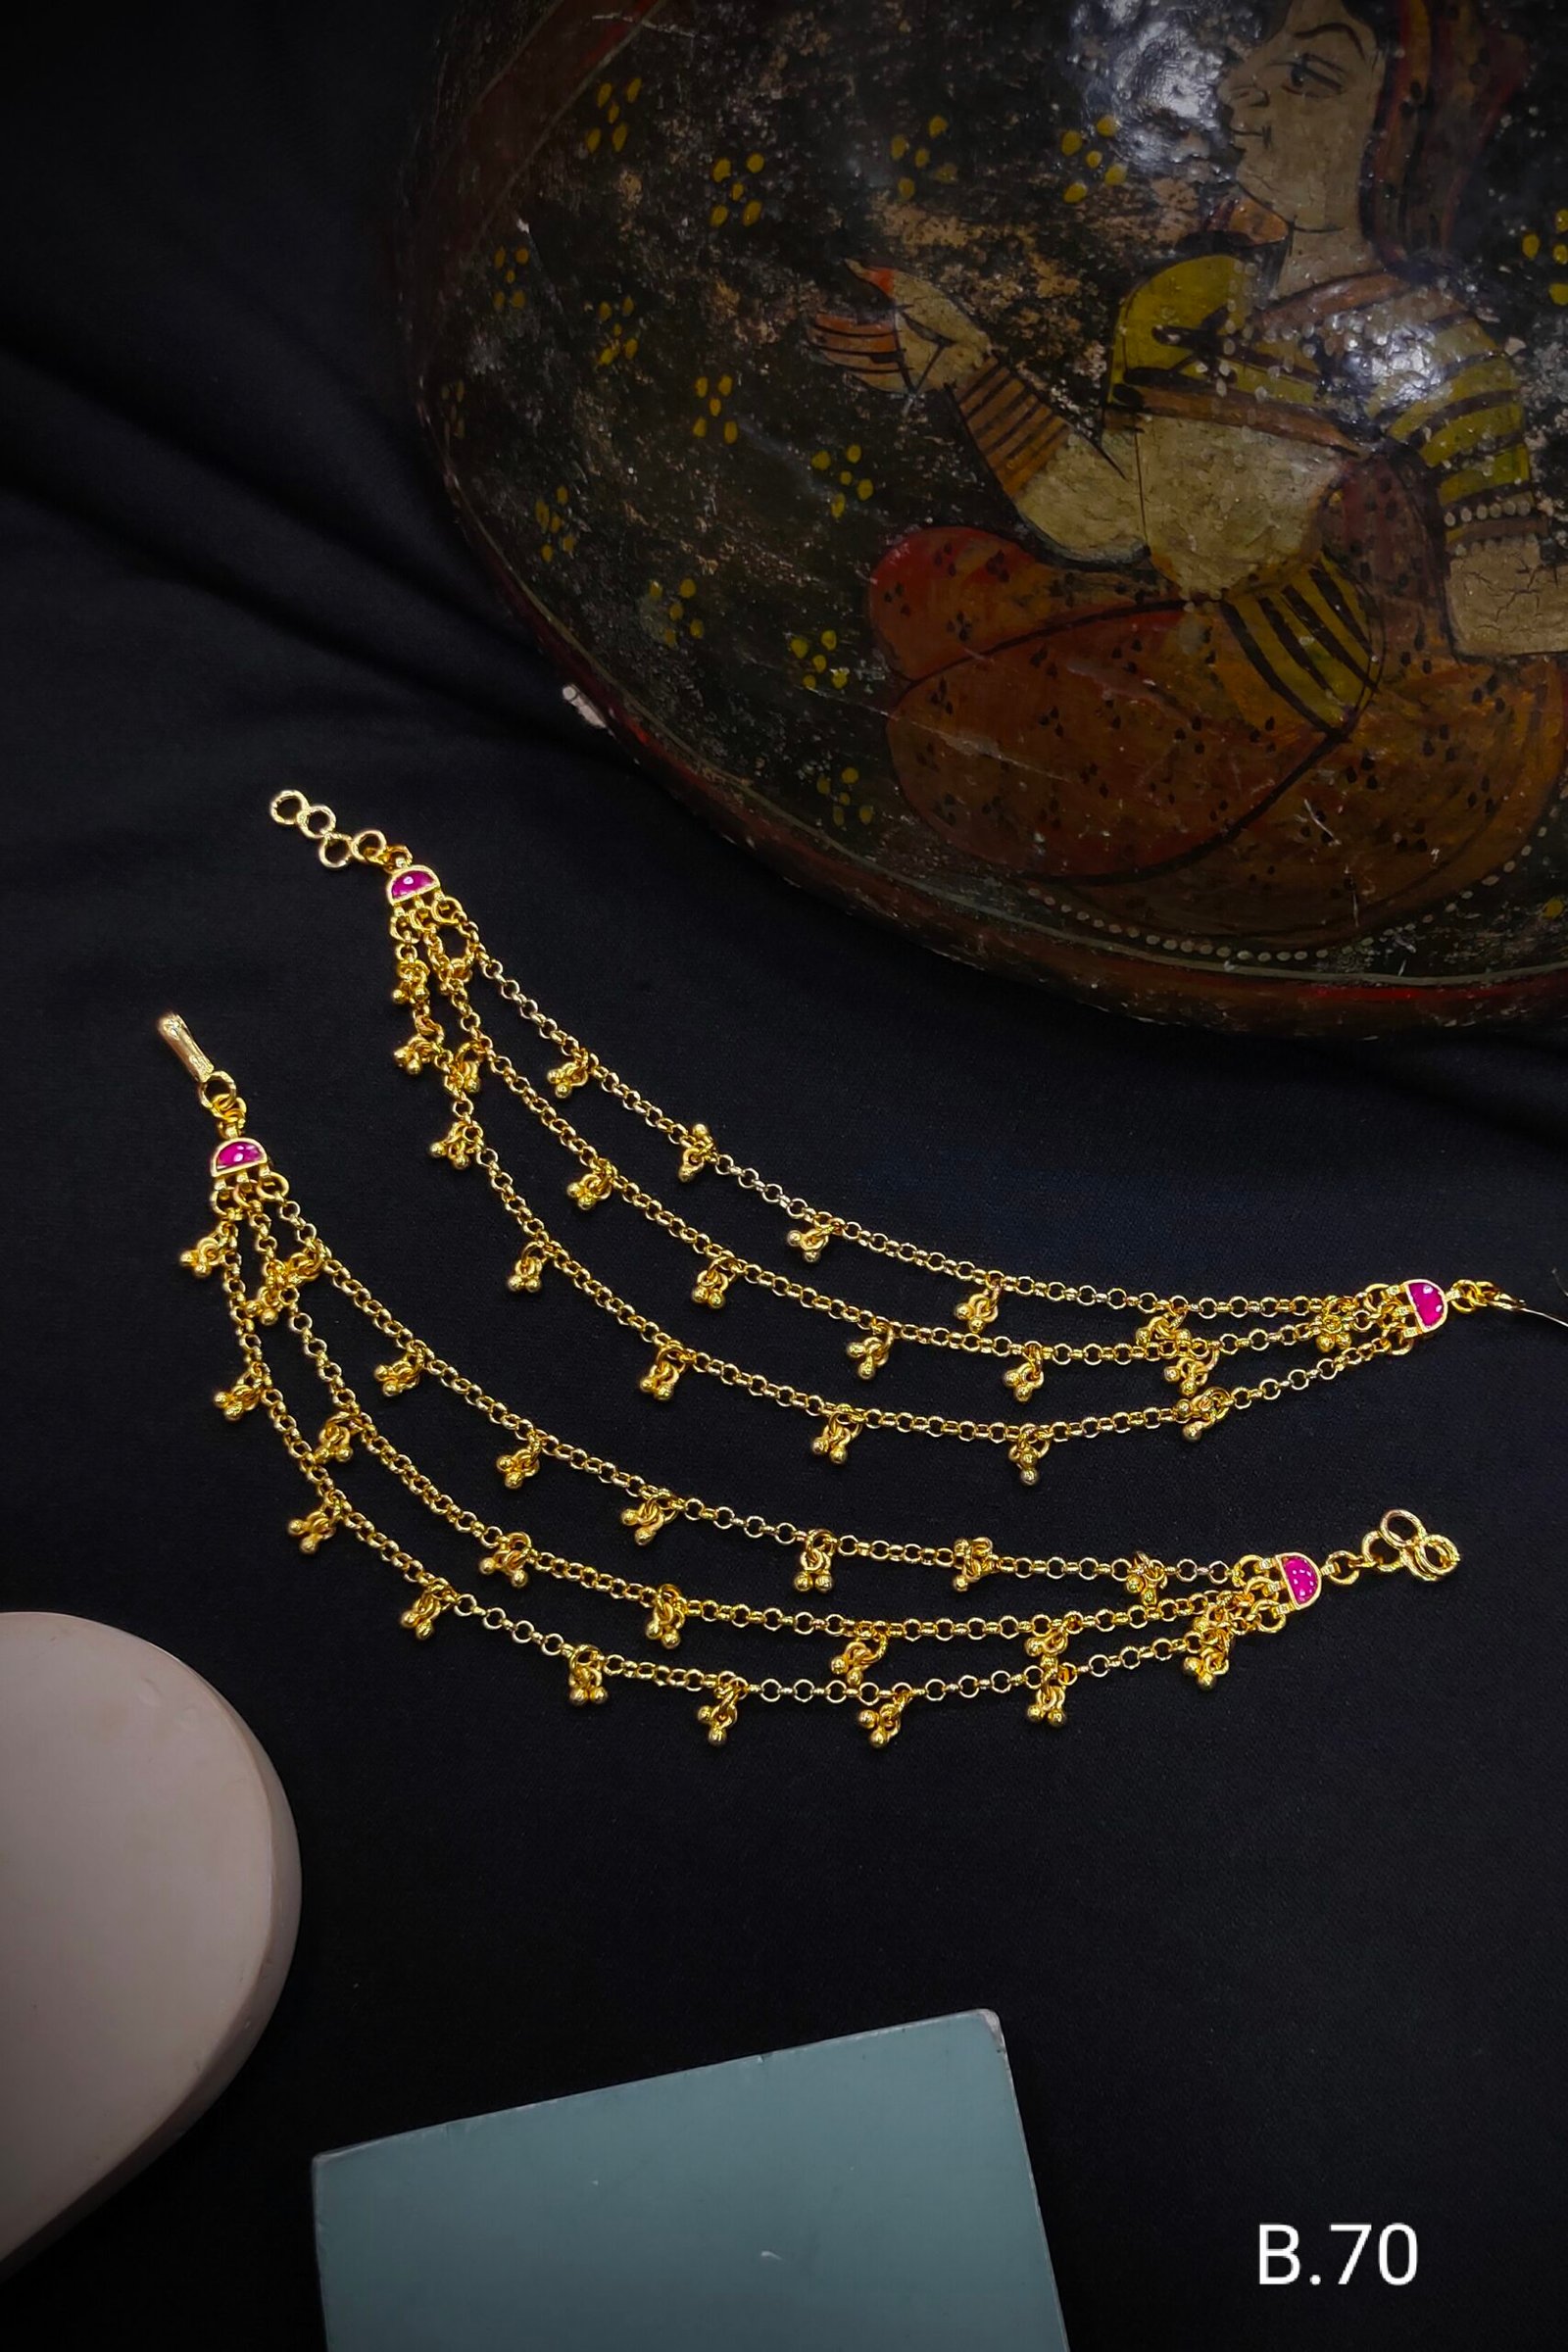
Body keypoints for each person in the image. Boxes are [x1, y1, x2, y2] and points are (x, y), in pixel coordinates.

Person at [811, 0, 1565, 945]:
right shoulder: (1178, 299)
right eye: (1262, 55)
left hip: (1338, 730)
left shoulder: (1449, 356)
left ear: (1404, 142)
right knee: (922, 582)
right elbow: (1104, 521)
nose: (1243, 86)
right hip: (1182, 649)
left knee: (979, 714)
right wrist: (970, 370)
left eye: (1308, 75)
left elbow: (1493, 610)